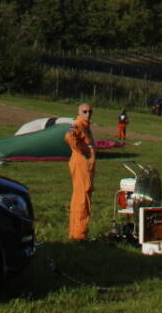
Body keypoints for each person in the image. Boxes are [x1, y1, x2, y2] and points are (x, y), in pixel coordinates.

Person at [65, 102, 97, 240]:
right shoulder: (78, 124)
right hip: (81, 165)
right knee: (82, 199)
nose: (88, 114)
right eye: (84, 111)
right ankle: (79, 235)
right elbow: (69, 137)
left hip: (86, 167)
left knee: (81, 196)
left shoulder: (86, 126)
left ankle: (75, 233)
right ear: (79, 112)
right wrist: (80, 151)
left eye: (90, 111)